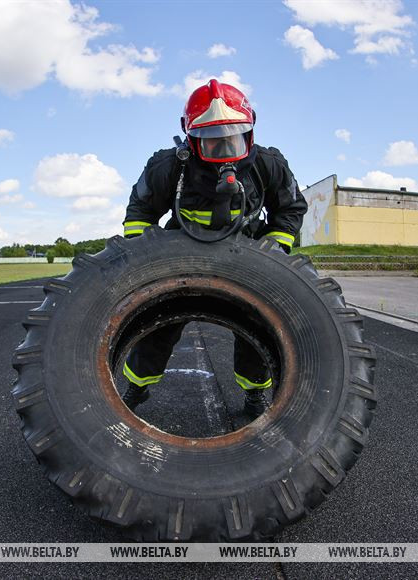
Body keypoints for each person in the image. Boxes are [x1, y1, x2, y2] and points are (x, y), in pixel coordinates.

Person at [120, 79, 307, 418]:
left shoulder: (268, 165)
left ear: (250, 128)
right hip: (182, 261)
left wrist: (274, 249)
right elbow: (139, 213)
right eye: (211, 139)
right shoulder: (168, 167)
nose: (224, 146)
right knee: (157, 328)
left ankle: (254, 396)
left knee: (259, 331)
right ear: (189, 135)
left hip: (246, 262)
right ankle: (135, 389)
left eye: (234, 135)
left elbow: (291, 208)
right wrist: (146, 260)